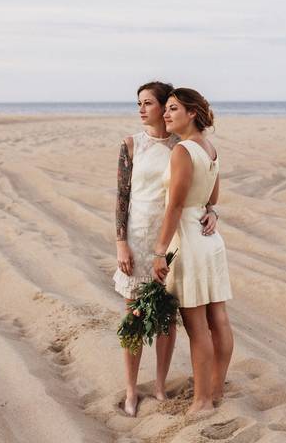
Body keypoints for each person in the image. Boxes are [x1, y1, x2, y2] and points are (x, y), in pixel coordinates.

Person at [114, 81, 218, 416]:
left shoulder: (182, 146)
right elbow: (122, 198)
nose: (141, 109)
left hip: (171, 242)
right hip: (139, 238)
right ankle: (131, 388)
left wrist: (212, 211)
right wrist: (121, 245)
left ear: (164, 107)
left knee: (167, 318)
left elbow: (199, 192)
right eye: (138, 104)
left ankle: (159, 385)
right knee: (134, 315)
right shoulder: (132, 145)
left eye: (148, 103)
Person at [151, 88, 233, 417]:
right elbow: (212, 198)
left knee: (197, 325)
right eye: (166, 109)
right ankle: (213, 391)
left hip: (188, 238)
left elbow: (175, 206)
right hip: (210, 239)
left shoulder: (183, 150)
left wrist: (160, 252)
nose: (166, 115)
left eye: (173, 109)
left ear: (192, 113)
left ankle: (202, 402)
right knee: (219, 320)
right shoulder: (210, 149)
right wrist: (212, 213)